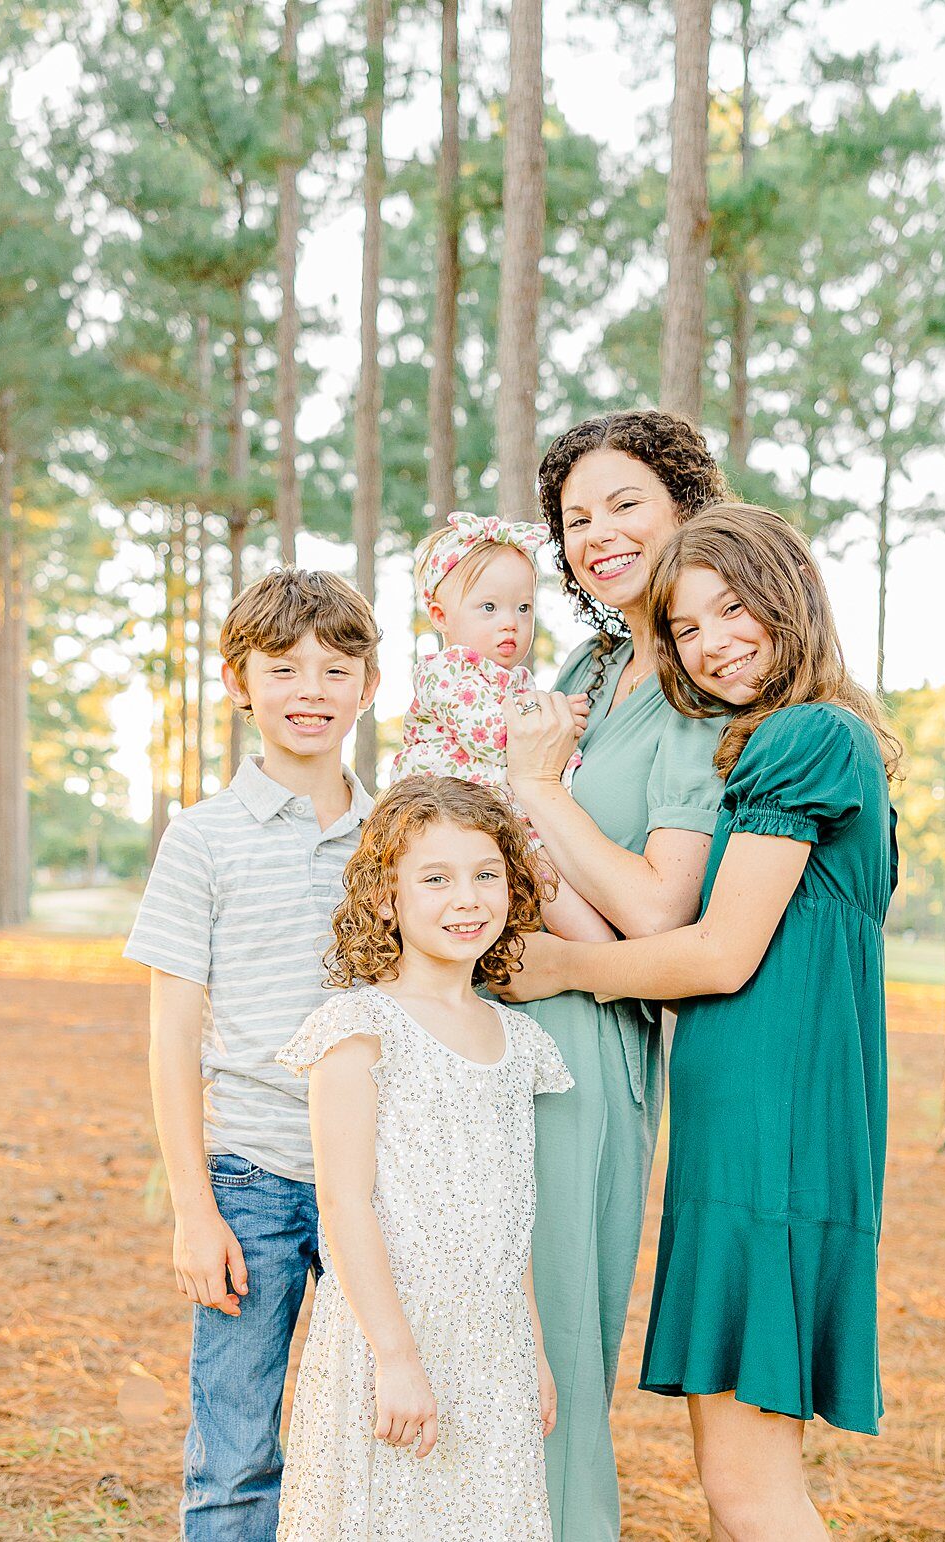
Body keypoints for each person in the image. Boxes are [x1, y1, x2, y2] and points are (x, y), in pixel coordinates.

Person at [500, 504, 900, 1540]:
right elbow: (690, 960)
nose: (715, 641)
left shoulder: (810, 737)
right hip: (740, 1135)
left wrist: (565, 971)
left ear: (792, 601)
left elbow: (718, 956)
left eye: (736, 609)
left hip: (778, 1138)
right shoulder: (768, 748)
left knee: (749, 1493)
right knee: (741, 1485)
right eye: (686, 627)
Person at [495, 410, 731, 1542]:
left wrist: (537, 796)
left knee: (552, 1338)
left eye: (623, 503)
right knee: (469, 1323)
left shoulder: (704, 680)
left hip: (588, 1046)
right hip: (493, 1022)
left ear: (687, 504)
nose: (596, 534)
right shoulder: (590, 666)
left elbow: (659, 905)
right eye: (575, 519)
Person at [122, 568, 381, 1542]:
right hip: (251, 1177)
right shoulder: (201, 839)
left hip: (379, 1174)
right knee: (236, 1451)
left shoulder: (397, 834)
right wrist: (195, 1212)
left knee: (376, 1434)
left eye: (334, 668)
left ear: (370, 686)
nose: (309, 690)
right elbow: (172, 1036)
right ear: (238, 683)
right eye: (282, 669)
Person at [275, 776, 574, 1541]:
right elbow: (343, 1207)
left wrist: (532, 1350)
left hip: (491, 1345)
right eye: (435, 879)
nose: (466, 898)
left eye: (485, 875)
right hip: (393, 1336)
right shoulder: (359, 1028)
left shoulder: (519, 1044)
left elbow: (512, 1218)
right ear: (386, 897)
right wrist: (397, 1358)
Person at [391, 510, 612, 942]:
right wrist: (556, 719)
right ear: (439, 614)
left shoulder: (519, 681)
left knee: (553, 870)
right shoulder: (445, 671)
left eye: (523, 607)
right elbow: (491, 737)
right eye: (488, 608)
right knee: (544, 876)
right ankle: (608, 959)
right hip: (460, 815)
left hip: (504, 812)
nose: (509, 622)